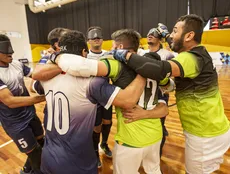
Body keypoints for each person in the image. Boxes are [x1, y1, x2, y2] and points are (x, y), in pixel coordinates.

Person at [33, 29, 171, 174]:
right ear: (84, 53)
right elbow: (130, 100)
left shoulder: (45, 78)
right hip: (78, 159)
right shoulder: (92, 81)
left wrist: (53, 61)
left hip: (48, 156)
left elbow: (33, 84)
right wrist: (146, 70)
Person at [109, 14, 230, 174]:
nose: (170, 36)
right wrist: (167, 84)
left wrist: (124, 54)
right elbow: (179, 84)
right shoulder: (200, 53)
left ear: (189, 35)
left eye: (174, 31)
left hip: (204, 136)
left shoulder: (190, 58)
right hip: (214, 128)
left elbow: (159, 70)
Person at [0, 34, 46, 174]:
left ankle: (26, 170)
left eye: (11, 48)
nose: (11, 52)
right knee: (35, 153)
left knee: (41, 142)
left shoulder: (17, 64)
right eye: (5, 49)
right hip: (15, 122)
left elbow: (36, 75)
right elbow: (10, 101)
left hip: (30, 114)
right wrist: (42, 98)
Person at [146, 27, 175, 157]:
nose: (149, 35)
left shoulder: (167, 54)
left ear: (160, 38)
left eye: (153, 33)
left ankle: (157, 155)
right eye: (148, 33)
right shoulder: (142, 53)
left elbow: (173, 76)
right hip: (146, 95)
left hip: (161, 94)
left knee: (159, 124)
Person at [87, 26, 113, 168]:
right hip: (92, 98)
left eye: (99, 37)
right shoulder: (84, 56)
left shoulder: (109, 54)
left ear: (103, 40)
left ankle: (104, 143)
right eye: (93, 38)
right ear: (88, 41)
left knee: (107, 122)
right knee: (96, 127)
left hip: (107, 94)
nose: (96, 39)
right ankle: (95, 152)